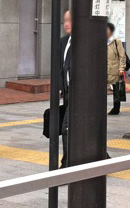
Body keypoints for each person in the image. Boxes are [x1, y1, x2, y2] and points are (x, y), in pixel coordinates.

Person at [60, 10, 72, 168]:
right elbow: (60, 67)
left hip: (80, 93)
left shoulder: (83, 42)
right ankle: (102, 155)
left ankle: (66, 163)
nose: (66, 24)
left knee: (66, 127)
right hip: (67, 91)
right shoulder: (63, 41)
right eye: (65, 20)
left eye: (70, 20)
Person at [107, 23, 126, 115]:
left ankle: (116, 108)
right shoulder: (101, 40)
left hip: (114, 68)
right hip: (104, 68)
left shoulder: (116, 41)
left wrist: (121, 68)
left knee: (116, 89)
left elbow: (122, 55)